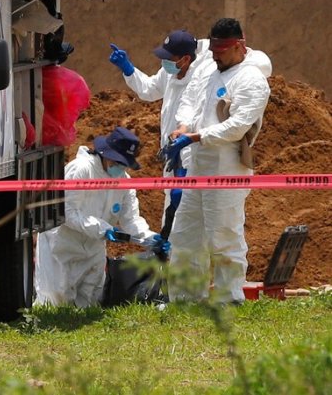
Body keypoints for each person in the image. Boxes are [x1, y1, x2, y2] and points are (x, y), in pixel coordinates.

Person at [165, 18, 271, 304]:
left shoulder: (251, 79)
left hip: (227, 168)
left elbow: (237, 126)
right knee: (186, 235)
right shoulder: (210, 68)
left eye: (221, 51)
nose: (215, 56)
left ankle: (229, 298)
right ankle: (186, 299)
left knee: (224, 236)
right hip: (198, 167)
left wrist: (198, 137)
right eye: (213, 50)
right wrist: (184, 126)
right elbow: (190, 99)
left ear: (239, 46)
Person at [34, 126, 169, 307]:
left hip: (93, 249)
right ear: (106, 154)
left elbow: (130, 219)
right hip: (62, 246)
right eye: (118, 162)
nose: (121, 168)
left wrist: (150, 238)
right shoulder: (81, 170)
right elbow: (67, 211)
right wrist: (102, 228)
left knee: (89, 302)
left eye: (124, 164)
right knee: (56, 301)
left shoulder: (124, 181)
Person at [108, 30, 203, 220]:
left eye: (170, 58)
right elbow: (150, 90)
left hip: (189, 158)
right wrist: (128, 68)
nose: (165, 62)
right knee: (172, 213)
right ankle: (171, 248)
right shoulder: (169, 75)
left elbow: (195, 119)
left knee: (187, 214)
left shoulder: (199, 80)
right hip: (171, 154)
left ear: (185, 59)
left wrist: (184, 165)